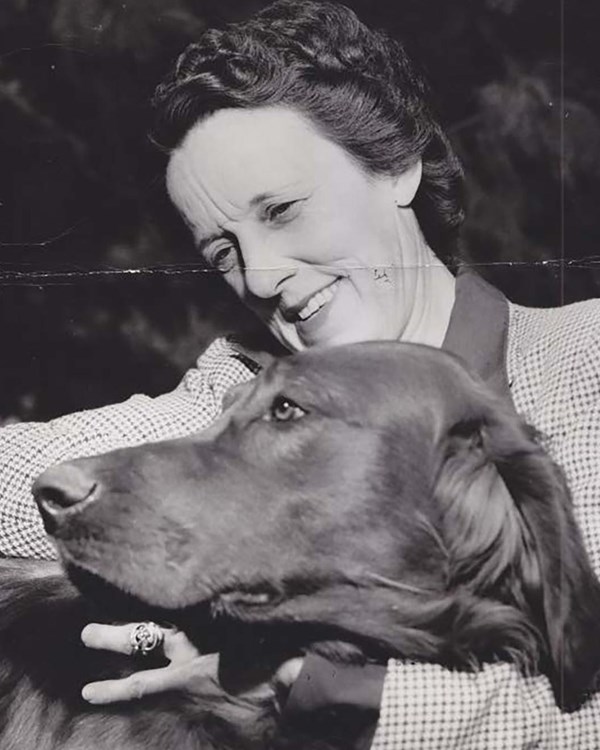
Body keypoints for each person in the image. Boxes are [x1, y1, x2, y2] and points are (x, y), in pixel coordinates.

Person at [2, 1, 600, 747]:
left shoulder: (587, 363)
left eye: (282, 209)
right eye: (222, 251)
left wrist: (323, 691)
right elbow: (28, 478)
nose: (259, 274)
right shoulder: (237, 390)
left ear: (397, 165)